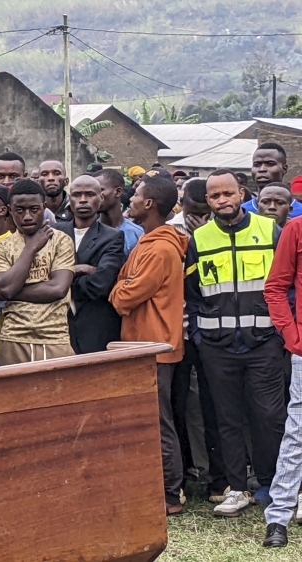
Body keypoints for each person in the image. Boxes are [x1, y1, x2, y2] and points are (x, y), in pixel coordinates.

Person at [185, 169, 288, 517]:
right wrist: (199, 335)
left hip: (264, 342)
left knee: (269, 416)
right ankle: (237, 488)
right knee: (226, 418)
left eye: (228, 193)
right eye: (215, 196)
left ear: (242, 194)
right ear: (208, 201)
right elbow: (192, 294)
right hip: (217, 345)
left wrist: (281, 332)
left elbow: (285, 285)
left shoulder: (269, 230)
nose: (222, 200)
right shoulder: (199, 239)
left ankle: (271, 483)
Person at [108, 171, 187, 515]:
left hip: (154, 346)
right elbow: (126, 282)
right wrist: (124, 281)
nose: (130, 199)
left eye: (136, 195)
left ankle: (171, 493)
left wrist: (120, 284)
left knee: (158, 421)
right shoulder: (147, 241)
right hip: (143, 344)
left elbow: (124, 296)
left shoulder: (159, 249)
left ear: (150, 203)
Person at [166, 177, 228, 503]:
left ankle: (218, 478)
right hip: (182, 333)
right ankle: (189, 473)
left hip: (212, 331)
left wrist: (202, 237)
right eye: (195, 210)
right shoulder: (172, 230)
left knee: (213, 406)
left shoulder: (222, 229)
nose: (199, 216)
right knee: (181, 407)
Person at [0, 179, 74, 365]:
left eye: (34, 209)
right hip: (14, 336)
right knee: (14, 394)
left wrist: (10, 292)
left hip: (54, 336)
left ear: (44, 208)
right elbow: (4, 288)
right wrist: (31, 248)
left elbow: (58, 289)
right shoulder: (2, 247)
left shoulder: (61, 241)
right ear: (10, 210)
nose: (27, 216)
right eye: (19, 210)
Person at [262, 196, 302, 547]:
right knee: (297, 431)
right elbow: (276, 287)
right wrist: (293, 336)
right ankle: (279, 517)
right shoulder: (296, 228)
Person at [52, 175, 124, 354]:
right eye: (77, 194)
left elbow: (100, 284)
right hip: (57, 327)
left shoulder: (112, 237)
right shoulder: (53, 233)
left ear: (101, 198)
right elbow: (42, 275)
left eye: (89, 194)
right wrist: (79, 269)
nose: (83, 200)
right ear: (69, 199)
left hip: (95, 327)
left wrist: (60, 281)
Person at [94, 168, 144, 257]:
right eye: (92, 192)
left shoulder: (138, 235)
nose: (95, 196)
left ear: (118, 192)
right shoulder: (87, 232)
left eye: (100, 190)